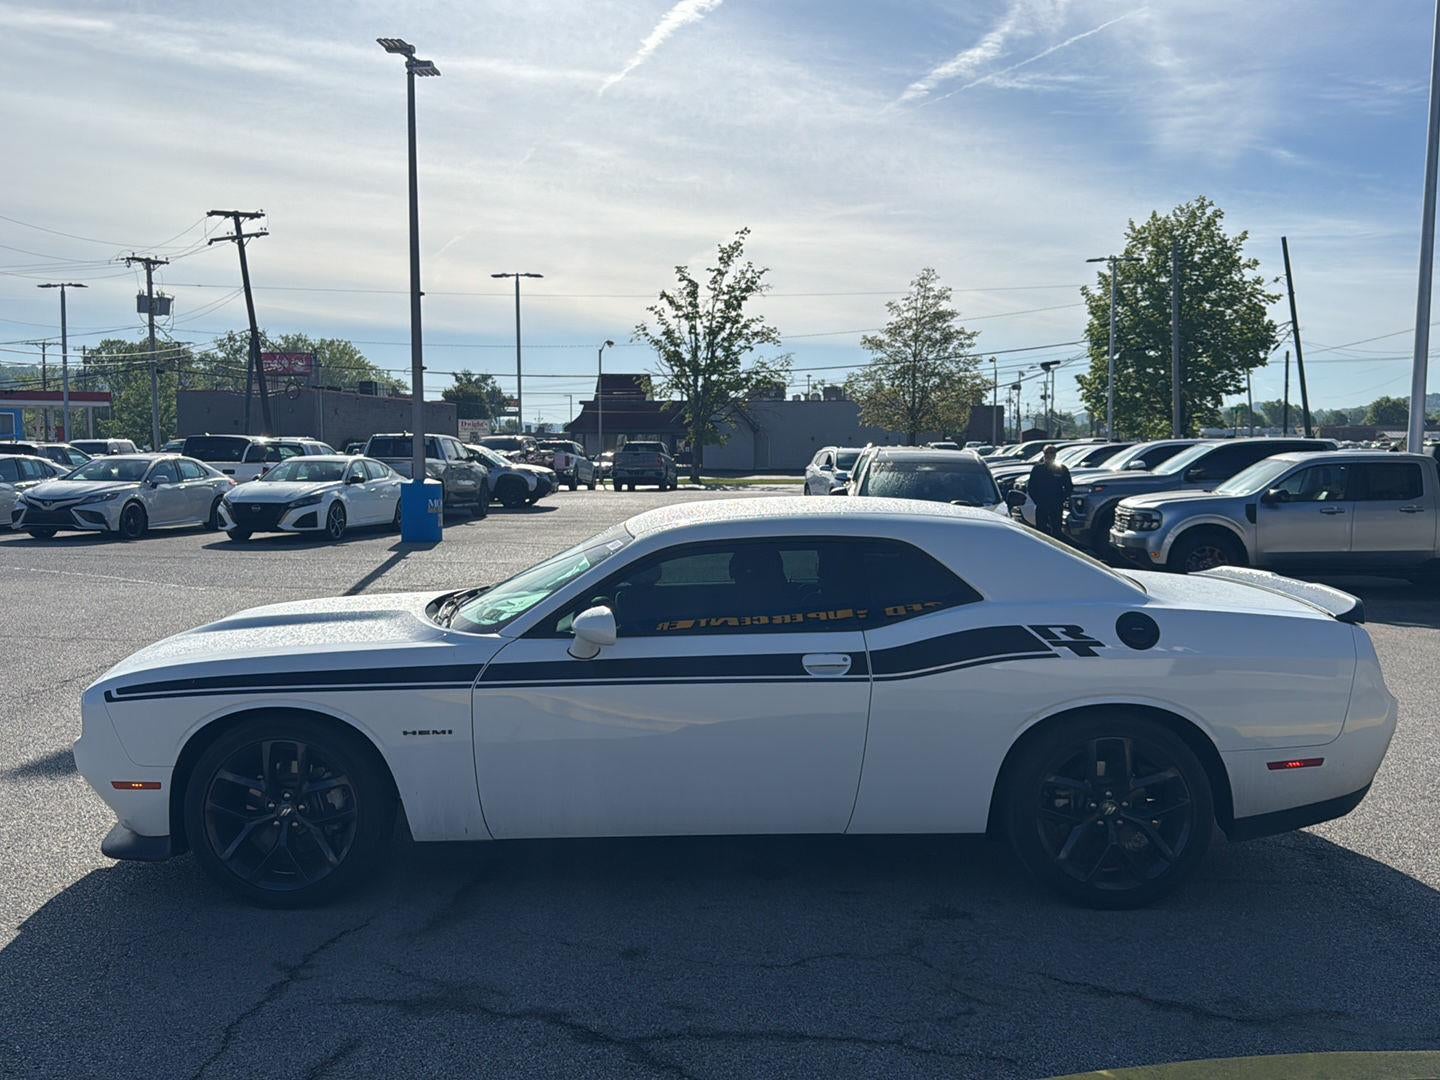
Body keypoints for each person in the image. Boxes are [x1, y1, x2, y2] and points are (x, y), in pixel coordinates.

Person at [1027, 444, 1073, 539]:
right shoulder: (1038, 469)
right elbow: (1031, 487)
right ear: (1043, 454)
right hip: (1041, 505)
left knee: (1056, 532)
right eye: (1047, 453)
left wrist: (1061, 500)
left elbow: (1068, 487)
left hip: (1056, 505)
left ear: (1055, 455)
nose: (1049, 455)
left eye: (1052, 452)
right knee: (1040, 532)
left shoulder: (1062, 469)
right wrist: (1037, 501)